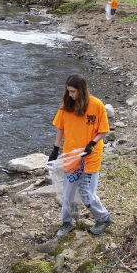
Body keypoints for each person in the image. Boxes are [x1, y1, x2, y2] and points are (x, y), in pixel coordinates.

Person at [48, 73, 112, 237]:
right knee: (68, 193)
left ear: (82, 91)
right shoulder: (66, 105)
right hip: (71, 156)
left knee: (86, 194)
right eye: (68, 91)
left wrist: (91, 144)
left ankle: (103, 218)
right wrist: (55, 150)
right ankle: (66, 223)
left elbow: (103, 130)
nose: (70, 95)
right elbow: (60, 128)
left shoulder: (97, 105)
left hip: (90, 156)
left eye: (73, 92)